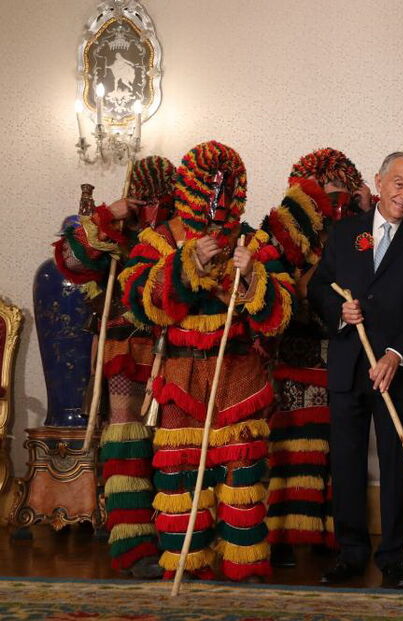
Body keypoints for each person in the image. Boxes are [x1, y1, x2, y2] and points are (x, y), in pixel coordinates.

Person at [120, 141, 294, 581]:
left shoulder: (254, 241)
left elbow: (280, 316)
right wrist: (186, 263)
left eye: (227, 187)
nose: (218, 197)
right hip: (180, 372)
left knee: (243, 467)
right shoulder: (160, 239)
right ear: (192, 186)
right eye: (210, 187)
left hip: (239, 371)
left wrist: (254, 275)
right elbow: (139, 304)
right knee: (178, 471)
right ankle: (186, 563)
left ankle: (245, 564)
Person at [308, 152, 403, 589]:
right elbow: (318, 287)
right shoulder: (345, 233)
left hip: (397, 371)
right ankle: (350, 553)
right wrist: (340, 311)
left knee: (397, 465)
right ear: (379, 182)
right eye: (400, 184)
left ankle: (393, 559)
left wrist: (394, 354)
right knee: (346, 464)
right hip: (348, 367)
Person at [53, 155, 175, 579]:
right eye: (145, 199)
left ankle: (171, 537)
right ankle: (132, 541)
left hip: (172, 347)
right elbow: (70, 261)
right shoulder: (114, 228)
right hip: (124, 346)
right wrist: (109, 215)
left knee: (170, 443)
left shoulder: (179, 229)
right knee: (126, 438)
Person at [261, 148, 371, 567]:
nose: (333, 199)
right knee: (292, 449)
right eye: (326, 192)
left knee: (339, 450)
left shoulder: (359, 232)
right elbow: (285, 290)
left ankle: (338, 537)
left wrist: (360, 216)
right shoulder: (284, 233)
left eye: (341, 191)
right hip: (297, 351)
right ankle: (285, 536)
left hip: (343, 354)